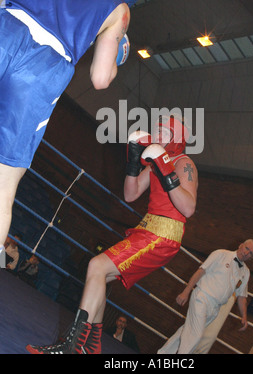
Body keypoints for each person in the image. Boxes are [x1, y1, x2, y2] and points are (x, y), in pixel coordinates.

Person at [0, 0, 142, 252]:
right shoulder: (119, 10)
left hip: (7, 26)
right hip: (43, 66)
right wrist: (117, 51)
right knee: (4, 184)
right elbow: (100, 78)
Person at [26, 114, 198, 354]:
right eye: (157, 131)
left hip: (164, 232)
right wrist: (134, 161)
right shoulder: (157, 161)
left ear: (179, 138)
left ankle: (72, 346)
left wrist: (166, 170)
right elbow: (131, 194)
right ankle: (92, 345)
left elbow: (188, 208)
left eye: (165, 133)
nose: (158, 137)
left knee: (97, 266)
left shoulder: (183, 163)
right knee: (99, 275)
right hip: (149, 229)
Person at [157, 239, 253, 354]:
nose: (246, 253)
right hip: (202, 297)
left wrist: (244, 316)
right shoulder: (221, 254)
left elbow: (242, 296)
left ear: (252, 257)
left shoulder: (246, 272)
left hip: (215, 308)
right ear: (241, 245)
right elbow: (200, 272)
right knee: (195, 335)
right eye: (246, 248)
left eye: (251, 253)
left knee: (186, 331)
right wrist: (186, 291)